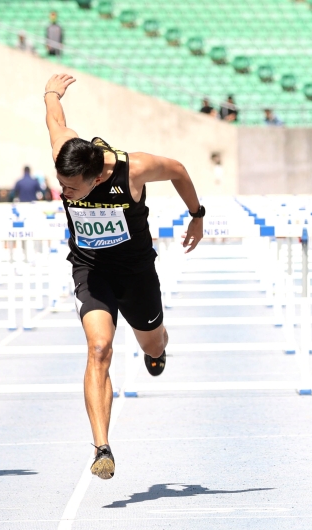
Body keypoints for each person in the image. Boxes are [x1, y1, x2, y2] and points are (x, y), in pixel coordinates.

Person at [43, 73, 205, 480]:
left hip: (135, 272)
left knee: (152, 340)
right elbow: (54, 119)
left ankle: (156, 351)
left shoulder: (133, 171)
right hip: (91, 268)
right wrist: (51, 91)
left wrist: (196, 216)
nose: (64, 193)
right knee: (99, 348)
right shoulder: (67, 153)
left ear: (97, 178)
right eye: (61, 185)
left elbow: (180, 170)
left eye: (70, 189)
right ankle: (102, 447)